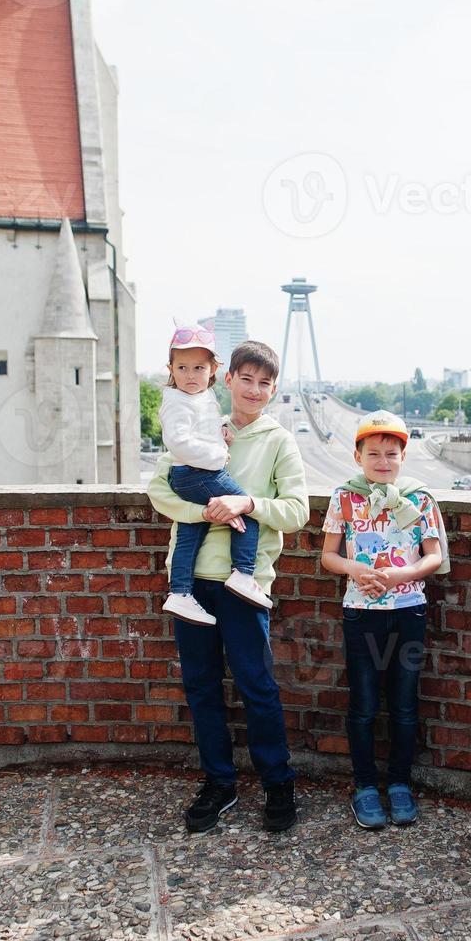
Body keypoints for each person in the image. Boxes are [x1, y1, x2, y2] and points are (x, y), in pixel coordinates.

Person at [147, 341, 310, 834]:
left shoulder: (278, 440)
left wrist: (246, 506)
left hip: (245, 586)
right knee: (201, 688)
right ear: (227, 379)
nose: (255, 390)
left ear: (273, 389)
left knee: (257, 686)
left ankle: (277, 781)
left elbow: (297, 511)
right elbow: (158, 489)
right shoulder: (196, 420)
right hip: (192, 583)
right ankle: (219, 782)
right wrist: (202, 512)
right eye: (247, 379)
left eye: (265, 383)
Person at [320, 411, 445, 829]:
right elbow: (329, 555)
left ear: (403, 456)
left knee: (405, 704)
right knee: (365, 704)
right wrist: (355, 570)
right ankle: (364, 786)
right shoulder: (345, 498)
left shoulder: (419, 499)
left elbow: (434, 555)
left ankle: (399, 784)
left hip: (408, 611)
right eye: (373, 453)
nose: (383, 461)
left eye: (392, 453)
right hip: (361, 613)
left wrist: (401, 575)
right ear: (358, 456)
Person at [159, 321, 269, 626]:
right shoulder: (177, 401)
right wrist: (218, 454)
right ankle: (244, 573)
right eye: (182, 368)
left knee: (190, 530)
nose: (190, 376)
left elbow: (199, 428)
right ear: (171, 369)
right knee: (245, 509)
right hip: (198, 473)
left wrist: (219, 431)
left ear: (212, 370)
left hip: (190, 475)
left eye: (197, 368)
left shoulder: (197, 398)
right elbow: (178, 440)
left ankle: (180, 592)